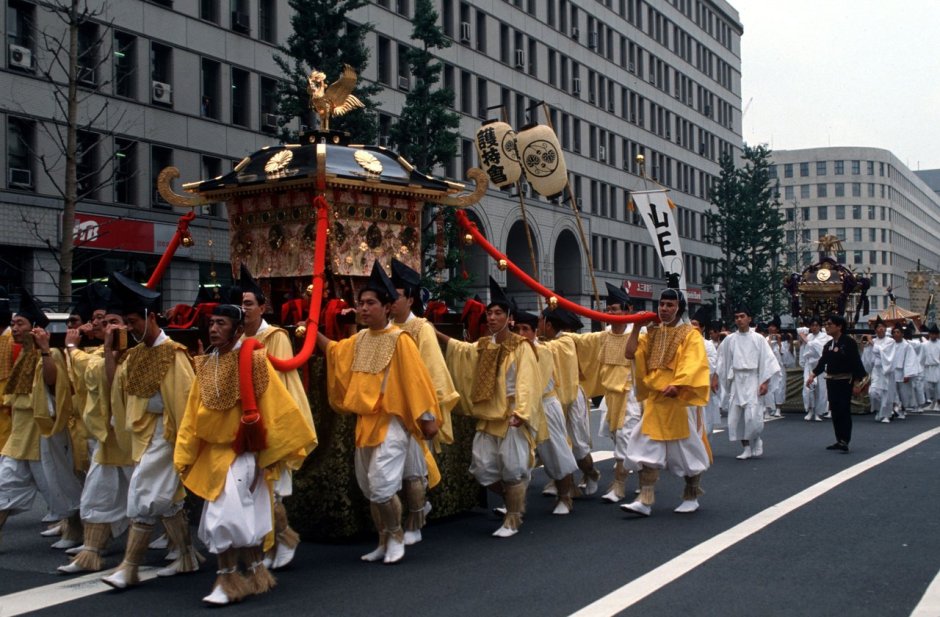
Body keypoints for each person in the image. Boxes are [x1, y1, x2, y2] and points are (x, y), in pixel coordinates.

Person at [175, 303, 316, 606]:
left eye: (221, 323)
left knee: (222, 519)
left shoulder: (254, 361)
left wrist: (272, 456)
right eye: (211, 323)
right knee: (240, 518)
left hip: (243, 454)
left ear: (238, 329)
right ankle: (255, 574)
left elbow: (274, 407)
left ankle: (227, 582)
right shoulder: (205, 363)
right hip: (213, 455)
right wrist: (185, 453)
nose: (214, 328)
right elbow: (191, 415)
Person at [317, 261, 442, 562]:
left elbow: (417, 383)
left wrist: (428, 419)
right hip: (366, 424)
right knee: (370, 487)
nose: (363, 309)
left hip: (393, 423)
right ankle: (383, 539)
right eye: (360, 303)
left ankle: (397, 535)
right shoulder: (359, 340)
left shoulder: (401, 340)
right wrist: (309, 333)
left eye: (370, 303)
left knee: (382, 484)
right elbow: (334, 351)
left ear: (387, 307)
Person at [102, 272, 202, 589]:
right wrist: (110, 354)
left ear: (151, 317)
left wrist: (185, 445)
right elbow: (115, 391)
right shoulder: (134, 354)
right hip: (145, 435)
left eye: (132, 321)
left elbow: (186, 403)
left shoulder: (174, 353)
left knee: (142, 496)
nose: (128, 327)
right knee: (167, 501)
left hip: (168, 435)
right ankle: (186, 556)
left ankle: (129, 567)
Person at [439, 277, 540, 537]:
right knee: (482, 468)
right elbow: (463, 351)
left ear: (510, 318)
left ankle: (513, 519)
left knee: (514, 469)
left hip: (510, 417)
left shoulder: (521, 346)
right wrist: (434, 333)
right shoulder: (484, 345)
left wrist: (522, 411)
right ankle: (513, 502)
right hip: (487, 415)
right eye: (489, 313)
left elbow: (527, 380)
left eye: (498, 313)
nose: (492, 317)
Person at [238, 264, 317, 570]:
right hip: (244, 422)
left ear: (262, 307)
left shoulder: (275, 336)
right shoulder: (235, 338)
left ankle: (284, 539)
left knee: (272, 492)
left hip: (272, 417)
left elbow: (277, 381)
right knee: (251, 491)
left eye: (249, 304)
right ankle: (265, 543)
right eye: (240, 304)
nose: (244, 310)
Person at [58, 301, 136, 574]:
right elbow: (91, 366)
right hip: (108, 439)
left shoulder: (140, 355)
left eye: (113, 322)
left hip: (136, 440)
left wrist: (72, 348)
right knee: (96, 495)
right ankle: (91, 552)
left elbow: (110, 379)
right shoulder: (100, 354)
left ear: (129, 326)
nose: (107, 327)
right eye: (104, 323)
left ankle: (182, 549)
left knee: (152, 501)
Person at [0, 291, 82, 547]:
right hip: (19, 435)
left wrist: (45, 351)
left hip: (43, 435)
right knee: (3, 487)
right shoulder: (22, 354)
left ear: (35, 328)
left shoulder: (50, 353)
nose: (14, 328)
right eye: (13, 324)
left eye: (20, 324)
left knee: (62, 488)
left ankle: (76, 532)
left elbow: (52, 381)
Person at [621, 286, 711, 516]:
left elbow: (694, 362)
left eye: (670, 305)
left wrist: (679, 384)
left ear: (679, 308)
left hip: (678, 401)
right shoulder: (651, 333)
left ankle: (691, 495)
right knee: (644, 448)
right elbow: (630, 353)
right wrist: (636, 328)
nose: (664, 309)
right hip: (655, 399)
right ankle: (645, 499)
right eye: (662, 304)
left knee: (686, 450)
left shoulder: (690, 334)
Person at [389, 258, 459, 544]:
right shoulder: (387, 328)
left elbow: (433, 373)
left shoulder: (421, 329)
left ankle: (415, 522)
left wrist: (428, 413)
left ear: (410, 299)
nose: (391, 302)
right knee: (392, 473)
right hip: (390, 409)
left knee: (413, 472)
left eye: (396, 296)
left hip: (415, 410)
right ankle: (410, 515)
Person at [571, 283, 638, 503]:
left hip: (631, 396)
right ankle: (644, 477)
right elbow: (581, 341)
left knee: (625, 439)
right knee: (619, 438)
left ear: (627, 311)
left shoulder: (639, 333)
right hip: (611, 397)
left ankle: (619, 486)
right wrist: (562, 335)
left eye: (615, 310)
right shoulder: (604, 335)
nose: (611, 314)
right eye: (608, 310)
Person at [517, 306, 578, 515]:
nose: (521, 334)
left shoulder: (544, 350)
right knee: (517, 456)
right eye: (518, 329)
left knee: (556, 452)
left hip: (544, 405)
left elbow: (535, 384)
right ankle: (515, 503)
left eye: (526, 329)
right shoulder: (512, 350)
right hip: (520, 409)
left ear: (536, 331)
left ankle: (565, 497)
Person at [715, 307, 780, 460]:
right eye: (736, 317)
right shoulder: (730, 340)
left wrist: (765, 382)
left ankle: (756, 438)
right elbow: (721, 361)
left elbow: (768, 361)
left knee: (752, 415)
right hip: (737, 380)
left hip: (753, 378)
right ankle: (746, 447)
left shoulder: (758, 339)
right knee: (736, 417)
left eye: (742, 316)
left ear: (749, 319)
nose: (739, 319)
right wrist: (716, 378)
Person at [806, 315, 866, 452]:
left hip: (845, 380)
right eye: (826, 324)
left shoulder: (848, 342)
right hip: (832, 380)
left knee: (844, 409)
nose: (827, 326)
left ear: (839, 326)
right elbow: (823, 362)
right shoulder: (828, 345)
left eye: (830, 324)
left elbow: (856, 362)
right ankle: (839, 439)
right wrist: (813, 374)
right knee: (835, 410)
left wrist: (857, 382)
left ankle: (845, 439)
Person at [861, 317, 896, 423]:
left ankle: (886, 414)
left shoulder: (890, 341)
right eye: (878, 327)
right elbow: (868, 358)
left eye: (882, 327)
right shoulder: (874, 341)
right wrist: (866, 348)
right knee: (873, 392)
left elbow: (884, 353)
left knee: (886, 392)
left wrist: (872, 343)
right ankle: (878, 410)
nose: (880, 329)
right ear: (875, 330)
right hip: (876, 370)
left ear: (885, 329)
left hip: (886, 370)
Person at [799, 317, 831, 421]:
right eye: (812, 325)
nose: (814, 327)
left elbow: (820, 349)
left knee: (820, 390)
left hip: (820, 365)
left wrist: (806, 340)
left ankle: (818, 412)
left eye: (816, 325)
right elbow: (804, 350)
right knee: (808, 388)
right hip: (809, 365)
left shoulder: (825, 337)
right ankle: (810, 410)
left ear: (820, 326)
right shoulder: (809, 336)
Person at [889, 323, 921, 419]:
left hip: (902, 372)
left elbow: (910, 360)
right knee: (893, 391)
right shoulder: (890, 344)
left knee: (903, 392)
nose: (896, 334)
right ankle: (894, 408)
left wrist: (907, 374)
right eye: (894, 332)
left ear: (902, 334)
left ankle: (903, 408)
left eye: (898, 332)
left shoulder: (907, 346)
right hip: (892, 372)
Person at [764, 317, 790, 418]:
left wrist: (779, 341)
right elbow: (765, 352)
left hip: (779, 367)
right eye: (770, 326)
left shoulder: (782, 339)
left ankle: (778, 408)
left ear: (777, 329)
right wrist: (770, 341)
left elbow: (784, 354)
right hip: (769, 367)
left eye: (773, 326)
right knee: (769, 387)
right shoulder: (765, 340)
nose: (771, 328)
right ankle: (768, 408)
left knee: (780, 387)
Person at [921, 324, 940, 410]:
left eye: (935, 334)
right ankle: (933, 402)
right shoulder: (924, 344)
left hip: (937, 367)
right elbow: (921, 356)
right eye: (932, 334)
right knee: (928, 387)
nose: (933, 335)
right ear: (929, 334)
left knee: (938, 386)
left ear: (937, 335)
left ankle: (938, 403)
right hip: (928, 367)